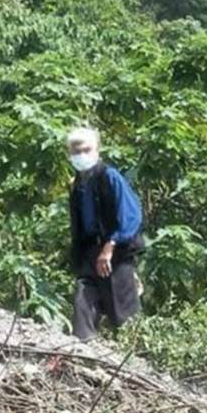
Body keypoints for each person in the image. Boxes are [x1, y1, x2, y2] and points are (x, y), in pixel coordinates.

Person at [67, 127, 144, 340]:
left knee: (123, 310)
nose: (81, 155)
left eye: (86, 149)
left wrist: (109, 247)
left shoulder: (109, 177)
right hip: (89, 251)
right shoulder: (78, 183)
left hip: (116, 254)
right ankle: (83, 347)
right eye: (76, 151)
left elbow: (131, 216)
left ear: (97, 150)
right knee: (83, 297)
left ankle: (135, 355)